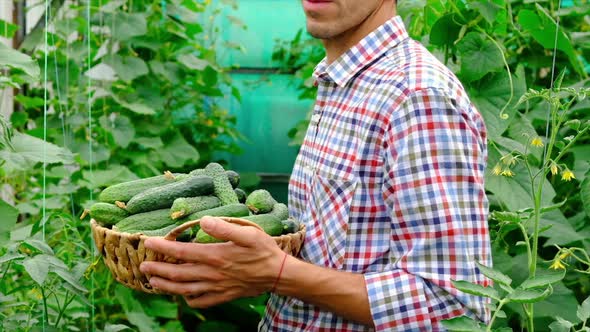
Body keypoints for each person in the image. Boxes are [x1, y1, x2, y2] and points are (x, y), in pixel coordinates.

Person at [139, 0, 492, 330]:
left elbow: (452, 306)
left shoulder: (416, 96)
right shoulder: (346, 81)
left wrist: (278, 274)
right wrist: (247, 266)